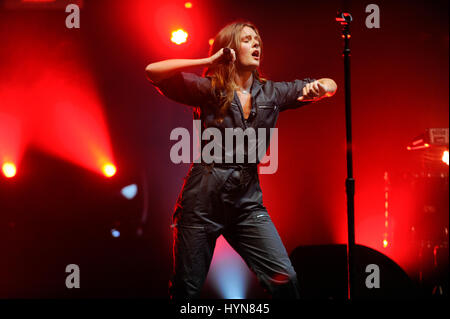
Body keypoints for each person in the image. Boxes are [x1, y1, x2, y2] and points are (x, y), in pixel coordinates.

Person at [145, 21, 337, 299]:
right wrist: (209, 60)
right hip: (201, 204)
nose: (256, 44)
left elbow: (330, 83)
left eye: (257, 39)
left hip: (247, 205)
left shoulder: (272, 93)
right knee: (187, 290)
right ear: (230, 49)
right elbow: (153, 72)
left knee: (286, 280)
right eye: (247, 39)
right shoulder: (210, 89)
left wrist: (322, 87)